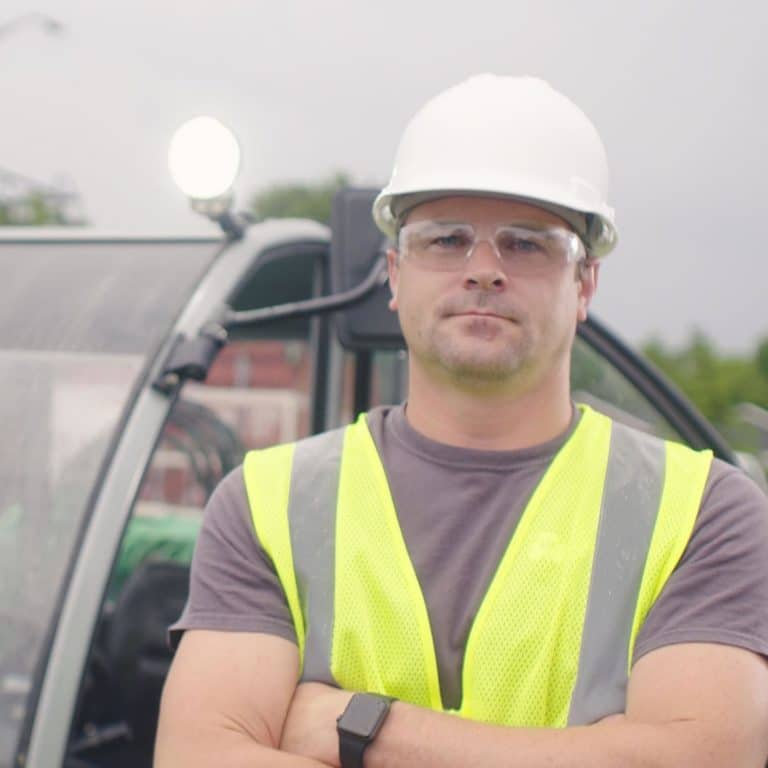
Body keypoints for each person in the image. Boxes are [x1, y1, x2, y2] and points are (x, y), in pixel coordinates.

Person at [155, 75, 768, 767]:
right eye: (446, 240)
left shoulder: (699, 514)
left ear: (585, 283)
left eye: (528, 243)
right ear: (393, 273)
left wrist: (363, 729)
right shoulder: (268, 505)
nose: (483, 270)